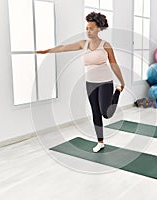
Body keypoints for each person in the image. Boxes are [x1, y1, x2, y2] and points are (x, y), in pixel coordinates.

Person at [36, 12, 125, 152]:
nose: (88, 31)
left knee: (106, 113)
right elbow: (64, 48)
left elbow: (114, 64)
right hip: (90, 83)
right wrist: (47, 51)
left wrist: (121, 82)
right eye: (87, 28)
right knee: (95, 112)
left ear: (99, 29)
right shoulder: (83, 44)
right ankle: (100, 142)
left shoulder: (106, 45)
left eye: (91, 28)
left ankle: (117, 92)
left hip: (105, 82)